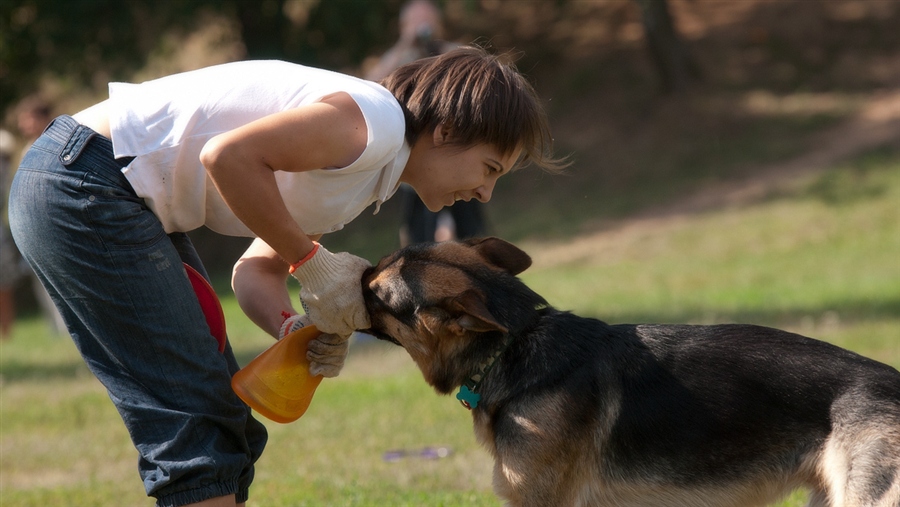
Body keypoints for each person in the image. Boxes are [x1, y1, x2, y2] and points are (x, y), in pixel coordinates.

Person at [8, 46, 562, 507]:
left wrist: (297, 326)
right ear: (445, 131)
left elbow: (253, 271)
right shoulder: (375, 122)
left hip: (105, 190)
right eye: (489, 168)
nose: (486, 193)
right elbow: (228, 157)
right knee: (198, 427)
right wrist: (312, 263)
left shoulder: (367, 172)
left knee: (229, 424)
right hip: (86, 182)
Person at [365, 0, 487, 246]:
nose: (424, 28)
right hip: (414, 161)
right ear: (403, 27)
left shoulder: (453, 53)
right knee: (418, 237)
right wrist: (405, 45)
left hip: (459, 157)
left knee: (472, 235)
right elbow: (368, 88)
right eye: (417, 22)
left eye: (428, 21)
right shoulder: (399, 60)